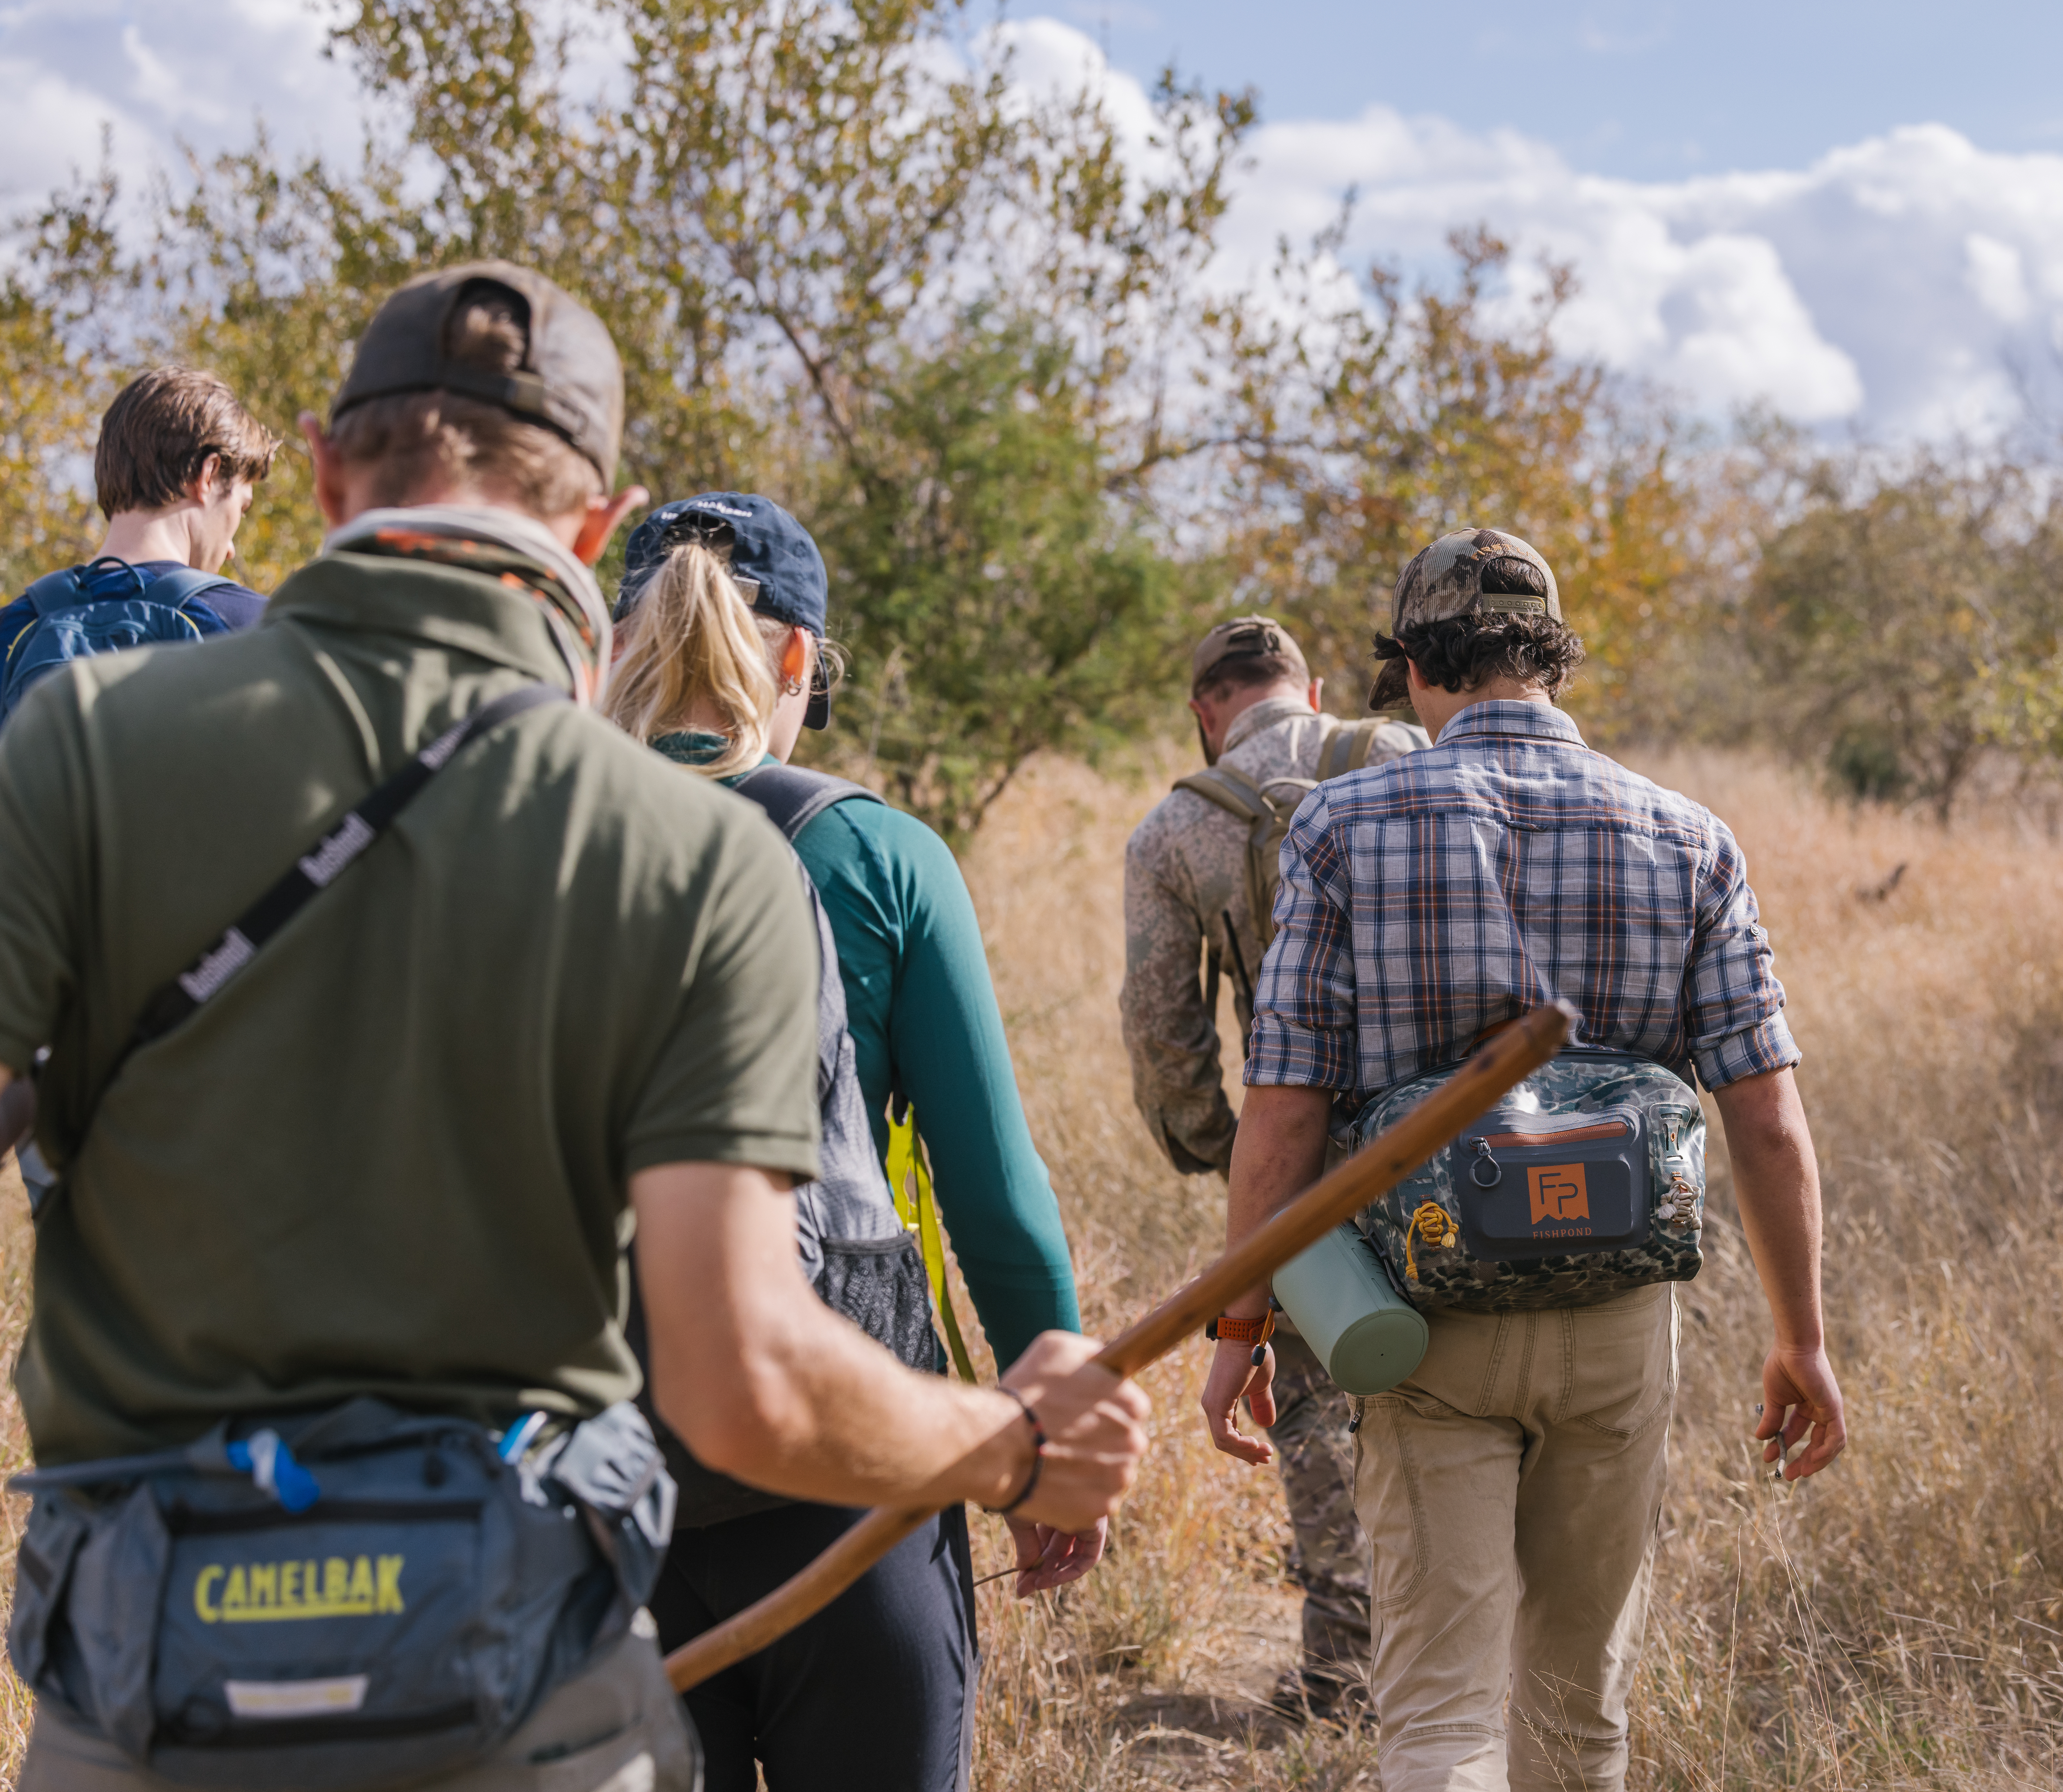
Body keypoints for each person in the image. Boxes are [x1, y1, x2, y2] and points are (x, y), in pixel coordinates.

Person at [0, 261, 1147, 1792]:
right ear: (600, 529)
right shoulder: (701, 861)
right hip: (501, 1694)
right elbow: (744, 1377)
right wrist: (1009, 1444)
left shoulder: (70, 750)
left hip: (145, 1685)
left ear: (327, 473)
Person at [1198, 528, 1849, 1791]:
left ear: (1412, 666)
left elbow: (1279, 1113)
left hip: (1418, 1322)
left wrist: (1239, 1318)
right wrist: (1800, 1335)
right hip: (1617, 1322)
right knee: (1576, 1713)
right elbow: (1765, 1117)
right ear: (1545, 654)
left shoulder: (1336, 825)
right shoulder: (1691, 836)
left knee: (1441, 1715)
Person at [605, 490, 1094, 1789]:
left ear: (613, 646)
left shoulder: (530, 843)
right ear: (799, 661)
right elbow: (991, 1192)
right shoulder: (877, 851)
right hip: (852, 1489)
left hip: (605, 1509)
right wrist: (1039, 1438)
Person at [1120, 615, 1424, 1722]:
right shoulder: (1399, 755)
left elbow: (1163, 1026)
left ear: (1206, 710)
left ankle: (1346, 1674)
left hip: (1290, 1162)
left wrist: (1216, 1145)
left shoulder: (1174, 831)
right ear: (1311, 685)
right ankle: (1479, 1643)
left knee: (1311, 1406)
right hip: (1447, 1133)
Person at [0, 366, 279, 728]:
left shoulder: (14, 628)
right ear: (208, 475)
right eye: (241, 508)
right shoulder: (258, 629)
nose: (230, 551)